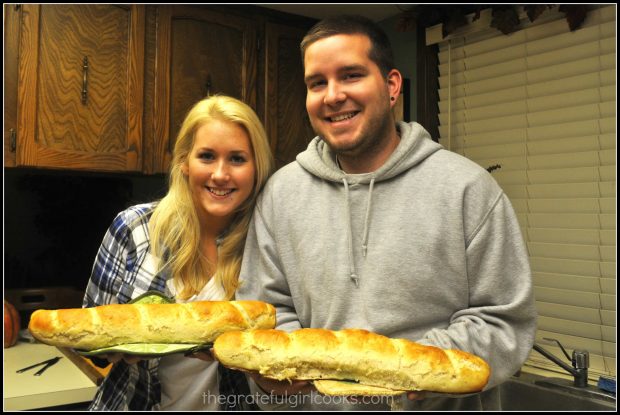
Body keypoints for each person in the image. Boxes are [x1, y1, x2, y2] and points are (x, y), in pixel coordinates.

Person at [236, 15, 537, 410]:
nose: (332, 95)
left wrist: (402, 371)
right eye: (317, 83)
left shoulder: (468, 189)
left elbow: (503, 321)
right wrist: (289, 375)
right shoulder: (281, 194)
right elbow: (267, 310)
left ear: (392, 86)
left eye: (351, 75)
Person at [82, 95, 275, 410]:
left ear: (256, 168)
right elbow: (88, 335)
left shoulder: (267, 243)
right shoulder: (134, 228)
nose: (221, 174)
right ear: (185, 162)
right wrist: (117, 344)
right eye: (207, 156)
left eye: (238, 159)